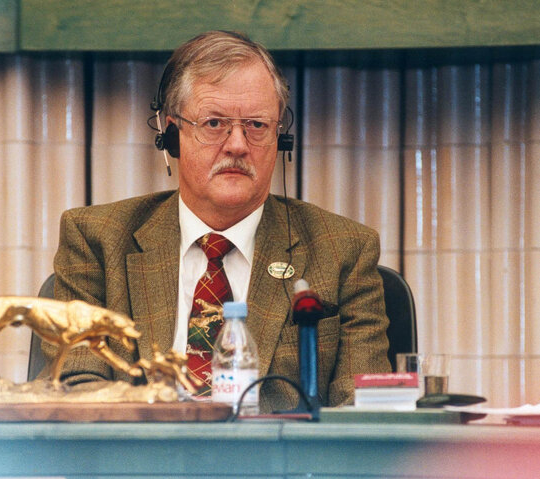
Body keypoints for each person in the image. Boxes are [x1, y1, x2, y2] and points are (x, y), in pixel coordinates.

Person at [45, 30, 391, 413]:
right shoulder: (97, 240)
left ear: (281, 137)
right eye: (214, 124)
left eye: (257, 125)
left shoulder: (344, 250)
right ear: (172, 135)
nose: (238, 144)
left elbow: (365, 409)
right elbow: (74, 386)